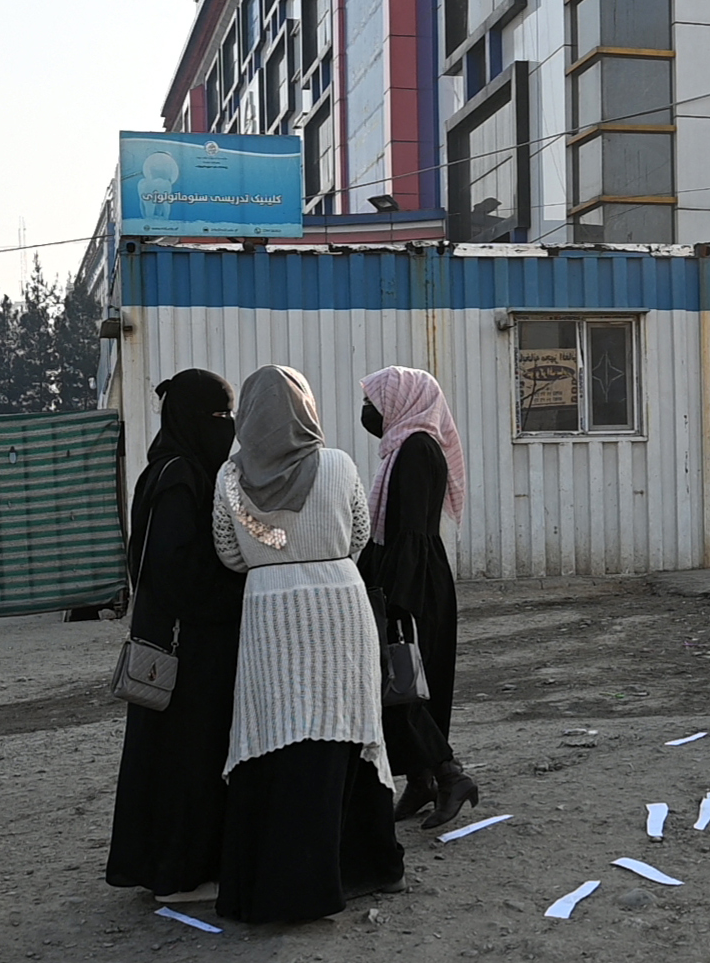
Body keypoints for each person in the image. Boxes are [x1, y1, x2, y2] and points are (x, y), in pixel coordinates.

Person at [212, 365, 404, 923]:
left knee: (275, 739)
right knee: (342, 735)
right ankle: (363, 867)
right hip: (340, 607)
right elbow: (361, 534)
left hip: (270, 612)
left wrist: (274, 559)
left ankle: (273, 884)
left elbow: (227, 553)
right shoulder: (339, 464)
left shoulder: (230, 478)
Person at [106, 369, 245, 904]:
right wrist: (237, 589)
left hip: (179, 640)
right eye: (218, 417)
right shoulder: (181, 475)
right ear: (192, 419)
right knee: (188, 757)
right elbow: (173, 569)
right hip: (186, 647)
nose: (227, 428)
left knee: (175, 757)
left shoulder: (168, 469)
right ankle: (178, 874)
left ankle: (169, 865)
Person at [357, 365, 478, 829]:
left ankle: (449, 776)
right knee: (406, 684)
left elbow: (408, 532)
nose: (369, 411)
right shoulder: (404, 447)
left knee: (402, 684)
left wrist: (394, 599)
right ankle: (422, 780)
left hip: (414, 583)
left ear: (402, 402)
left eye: (375, 401)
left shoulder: (415, 449)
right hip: (416, 576)